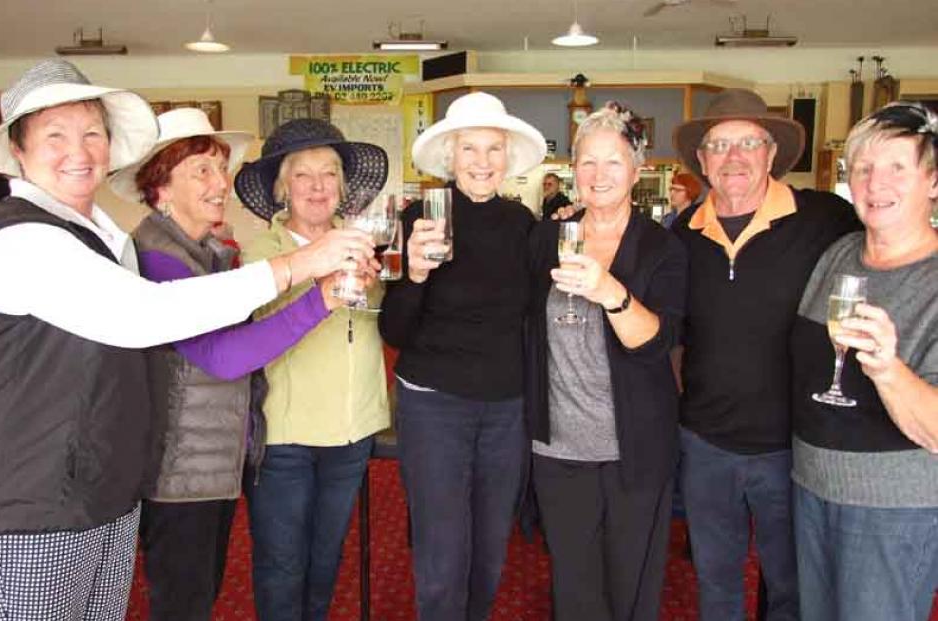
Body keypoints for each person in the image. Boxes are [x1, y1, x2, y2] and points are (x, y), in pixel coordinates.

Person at [0, 60, 373, 620]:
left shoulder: (113, 239)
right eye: (56, 135)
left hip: (110, 489)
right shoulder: (23, 238)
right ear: (19, 151)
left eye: (93, 133)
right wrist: (306, 272)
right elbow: (162, 323)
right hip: (43, 503)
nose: (80, 150)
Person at [109, 108, 364, 621]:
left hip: (213, 464)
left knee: (199, 596)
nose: (220, 182)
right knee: (183, 602)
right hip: (178, 471)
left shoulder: (209, 254)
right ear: (160, 187)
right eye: (201, 169)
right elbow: (223, 357)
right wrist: (322, 298)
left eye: (220, 169)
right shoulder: (158, 258)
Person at [669, 88, 861, 620]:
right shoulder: (681, 234)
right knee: (716, 582)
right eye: (720, 145)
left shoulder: (826, 218)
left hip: (792, 446)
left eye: (748, 142)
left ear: (771, 153)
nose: (734, 157)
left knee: (790, 587)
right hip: (705, 443)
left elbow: (891, 255)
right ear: (702, 160)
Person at [379, 91, 546, 621]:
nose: (481, 161)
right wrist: (416, 275)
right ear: (450, 158)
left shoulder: (524, 225)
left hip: (506, 407)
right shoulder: (419, 217)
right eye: (469, 149)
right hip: (434, 404)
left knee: (491, 545)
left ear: (507, 158)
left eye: (492, 149)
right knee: (442, 548)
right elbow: (395, 330)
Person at [526, 102, 687, 620]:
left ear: (636, 172)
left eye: (613, 162)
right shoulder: (546, 238)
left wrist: (609, 290)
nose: (599, 175)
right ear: (572, 170)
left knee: (631, 588)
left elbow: (655, 343)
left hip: (633, 447)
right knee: (573, 587)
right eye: (587, 162)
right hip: (559, 447)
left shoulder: (663, 247)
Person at [234, 117, 391, 621]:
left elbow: (391, 322)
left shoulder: (366, 246)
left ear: (343, 187)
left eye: (329, 174)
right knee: (282, 564)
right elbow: (262, 332)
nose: (318, 186)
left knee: (325, 561)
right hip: (285, 435)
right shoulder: (261, 255)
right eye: (303, 175)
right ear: (283, 188)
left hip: (352, 431)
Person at [790, 101, 938, 621]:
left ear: (934, 182)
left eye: (897, 167)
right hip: (811, 488)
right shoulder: (840, 255)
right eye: (864, 169)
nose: (876, 183)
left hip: (892, 509)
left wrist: (885, 367)